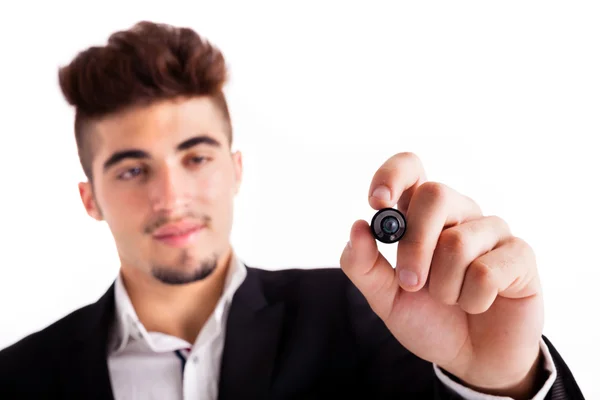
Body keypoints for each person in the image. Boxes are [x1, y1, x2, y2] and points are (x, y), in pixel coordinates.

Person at [0, 21, 584, 400]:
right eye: (132, 170)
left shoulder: (374, 324)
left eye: (197, 157)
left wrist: (503, 382)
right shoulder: (20, 379)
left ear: (236, 170)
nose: (171, 196)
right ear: (90, 199)